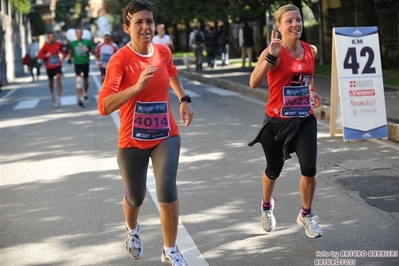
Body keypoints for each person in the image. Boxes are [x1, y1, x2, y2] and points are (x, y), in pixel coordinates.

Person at [97, 1, 194, 265]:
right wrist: (137, 87)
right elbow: (104, 105)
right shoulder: (120, 60)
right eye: (138, 22)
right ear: (127, 27)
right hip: (131, 141)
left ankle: (170, 251)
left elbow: (171, 72)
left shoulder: (163, 51)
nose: (145, 26)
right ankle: (132, 230)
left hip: (165, 135)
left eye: (149, 21)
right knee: (135, 197)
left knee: (167, 191)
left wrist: (183, 99)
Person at [248, 4, 323, 239]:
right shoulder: (273, 51)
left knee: (309, 168)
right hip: (277, 121)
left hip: (303, 118)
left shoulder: (311, 49)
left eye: (298, 20)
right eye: (288, 21)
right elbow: (253, 82)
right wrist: (271, 56)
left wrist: (311, 91)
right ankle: (267, 206)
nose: (295, 24)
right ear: (278, 27)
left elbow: (305, 77)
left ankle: (307, 214)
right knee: (273, 170)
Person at [67, 28, 95, 107]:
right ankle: (81, 98)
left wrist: (88, 50)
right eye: (77, 33)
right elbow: (70, 51)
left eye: (80, 33)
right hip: (77, 64)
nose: (79, 34)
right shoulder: (73, 43)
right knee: (78, 80)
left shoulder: (87, 42)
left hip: (85, 63)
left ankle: (85, 93)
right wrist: (69, 56)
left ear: (82, 34)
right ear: (75, 34)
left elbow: (93, 51)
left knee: (85, 80)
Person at [38, 32, 66, 107]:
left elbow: (63, 51)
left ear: (54, 37)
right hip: (49, 67)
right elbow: (39, 55)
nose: (51, 38)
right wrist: (45, 55)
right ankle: (52, 93)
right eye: (49, 37)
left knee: (58, 79)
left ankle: (59, 98)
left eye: (52, 37)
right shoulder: (45, 46)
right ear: (48, 38)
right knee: (51, 82)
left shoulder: (58, 44)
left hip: (57, 65)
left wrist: (63, 55)